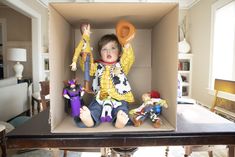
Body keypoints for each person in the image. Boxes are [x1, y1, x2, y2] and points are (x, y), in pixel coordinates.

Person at [74, 33, 135, 129]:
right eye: (104, 49)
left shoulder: (122, 65)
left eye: (113, 48)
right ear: (100, 53)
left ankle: (119, 121)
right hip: (100, 98)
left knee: (121, 108)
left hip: (118, 97)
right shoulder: (97, 66)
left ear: (119, 53)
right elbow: (86, 64)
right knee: (95, 107)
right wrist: (86, 44)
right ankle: (90, 120)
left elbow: (128, 59)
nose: (108, 52)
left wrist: (126, 45)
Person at [70, 24, 93, 92]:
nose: (89, 32)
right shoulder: (83, 41)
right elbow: (77, 51)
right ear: (84, 31)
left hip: (88, 58)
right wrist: (74, 62)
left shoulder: (87, 41)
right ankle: (86, 87)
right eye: (88, 30)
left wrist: (92, 62)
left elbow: (90, 52)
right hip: (85, 58)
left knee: (89, 72)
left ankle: (87, 86)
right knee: (86, 72)